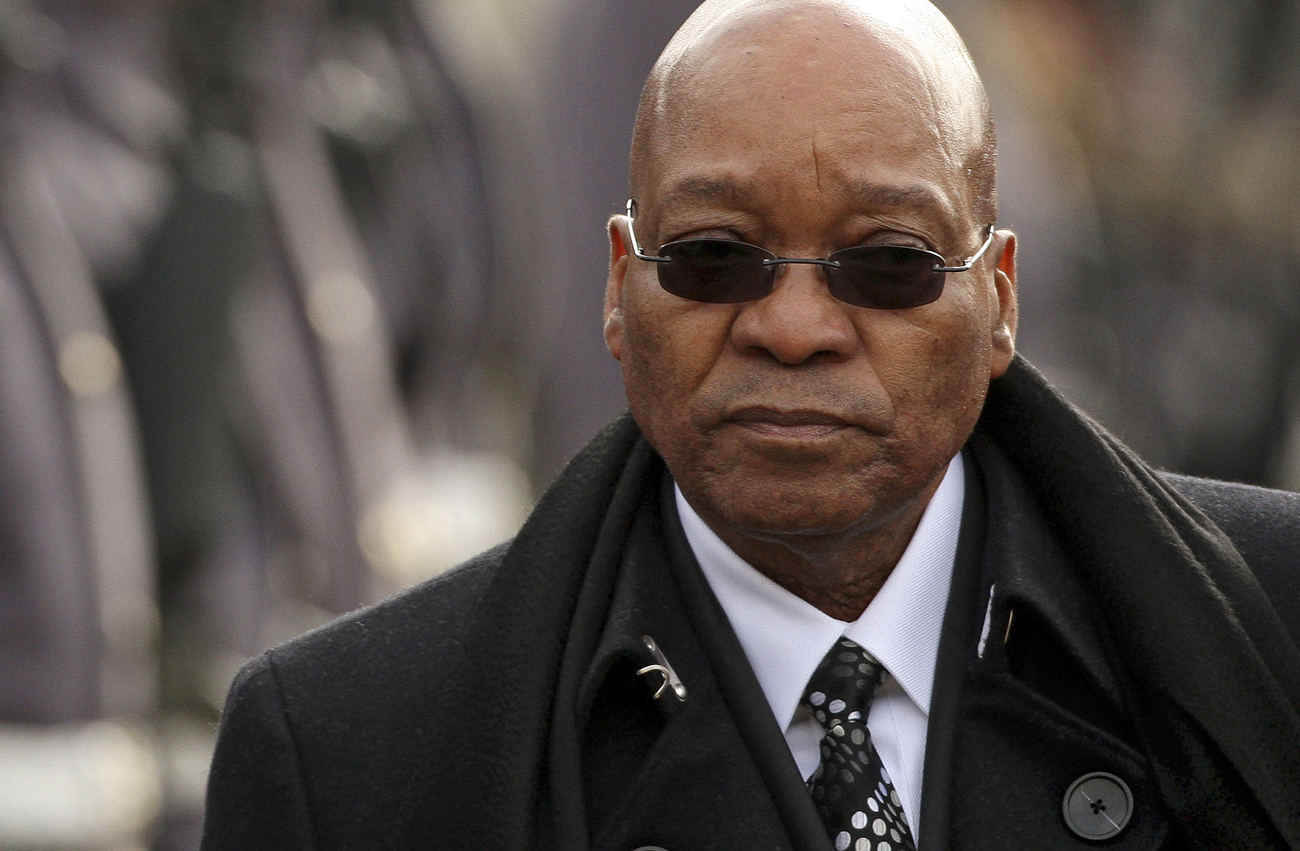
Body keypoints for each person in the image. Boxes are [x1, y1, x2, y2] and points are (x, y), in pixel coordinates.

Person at [200, 1, 1300, 849]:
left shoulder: (1265, 626)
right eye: (712, 257)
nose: (793, 325)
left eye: (889, 263)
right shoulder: (344, 750)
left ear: (999, 298)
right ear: (618, 290)